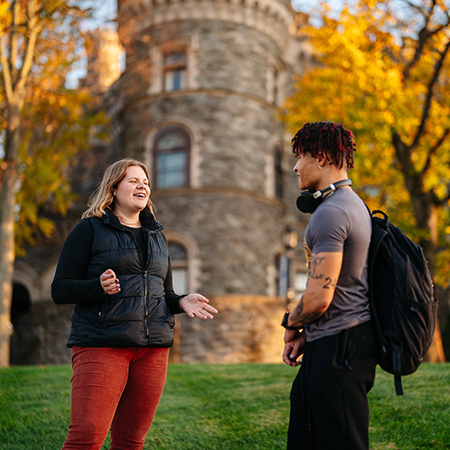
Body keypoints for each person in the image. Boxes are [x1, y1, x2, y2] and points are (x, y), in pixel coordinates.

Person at [52, 158, 218, 450]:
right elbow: (60, 289)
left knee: (131, 441)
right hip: (102, 344)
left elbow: (162, 293)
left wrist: (181, 301)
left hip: (153, 350)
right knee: (87, 437)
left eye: (146, 182)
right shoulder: (89, 230)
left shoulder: (158, 237)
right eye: (134, 181)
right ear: (114, 188)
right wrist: (97, 287)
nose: (143, 186)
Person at [281, 122, 378, 450]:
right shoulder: (352, 205)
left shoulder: (332, 213)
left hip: (341, 348)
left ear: (320, 157)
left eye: (300, 157)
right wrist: (308, 333)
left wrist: (290, 323)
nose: (295, 166)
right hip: (331, 342)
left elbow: (319, 297)